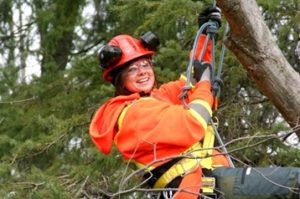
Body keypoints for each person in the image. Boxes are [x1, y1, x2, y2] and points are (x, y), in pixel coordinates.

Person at [89, 7, 230, 199]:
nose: (142, 72)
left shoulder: (159, 98)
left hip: (210, 181)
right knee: (284, 184)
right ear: (119, 80)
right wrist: (205, 82)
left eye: (145, 64)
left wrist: (204, 36)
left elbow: (192, 83)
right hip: (192, 189)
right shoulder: (134, 113)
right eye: (132, 69)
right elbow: (194, 121)